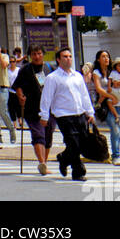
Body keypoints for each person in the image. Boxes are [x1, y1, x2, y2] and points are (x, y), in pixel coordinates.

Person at [39, 45, 95, 180]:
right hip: (64, 115)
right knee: (73, 143)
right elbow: (46, 98)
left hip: (79, 114)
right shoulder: (53, 78)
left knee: (80, 143)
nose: (68, 59)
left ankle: (63, 158)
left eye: (70, 56)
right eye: (65, 56)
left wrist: (90, 112)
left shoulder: (77, 76)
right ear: (58, 59)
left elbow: (84, 95)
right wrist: (44, 115)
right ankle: (78, 172)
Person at [16, 43, 56, 174]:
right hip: (32, 109)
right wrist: (20, 96)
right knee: (38, 135)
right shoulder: (25, 69)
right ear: (30, 56)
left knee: (48, 137)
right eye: (34, 54)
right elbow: (18, 86)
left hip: (49, 109)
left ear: (43, 54)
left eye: (39, 53)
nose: (37, 56)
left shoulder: (50, 68)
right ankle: (42, 163)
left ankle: (45, 162)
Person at [92, 49, 120, 165]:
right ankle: (116, 156)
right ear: (98, 59)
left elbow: (116, 83)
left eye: (108, 56)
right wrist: (110, 95)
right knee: (115, 130)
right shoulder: (96, 72)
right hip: (106, 104)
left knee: (118, 130)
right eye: (103, 56)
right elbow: (99, 89)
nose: (106, 59)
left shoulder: (112, 72)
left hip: (118, 102)